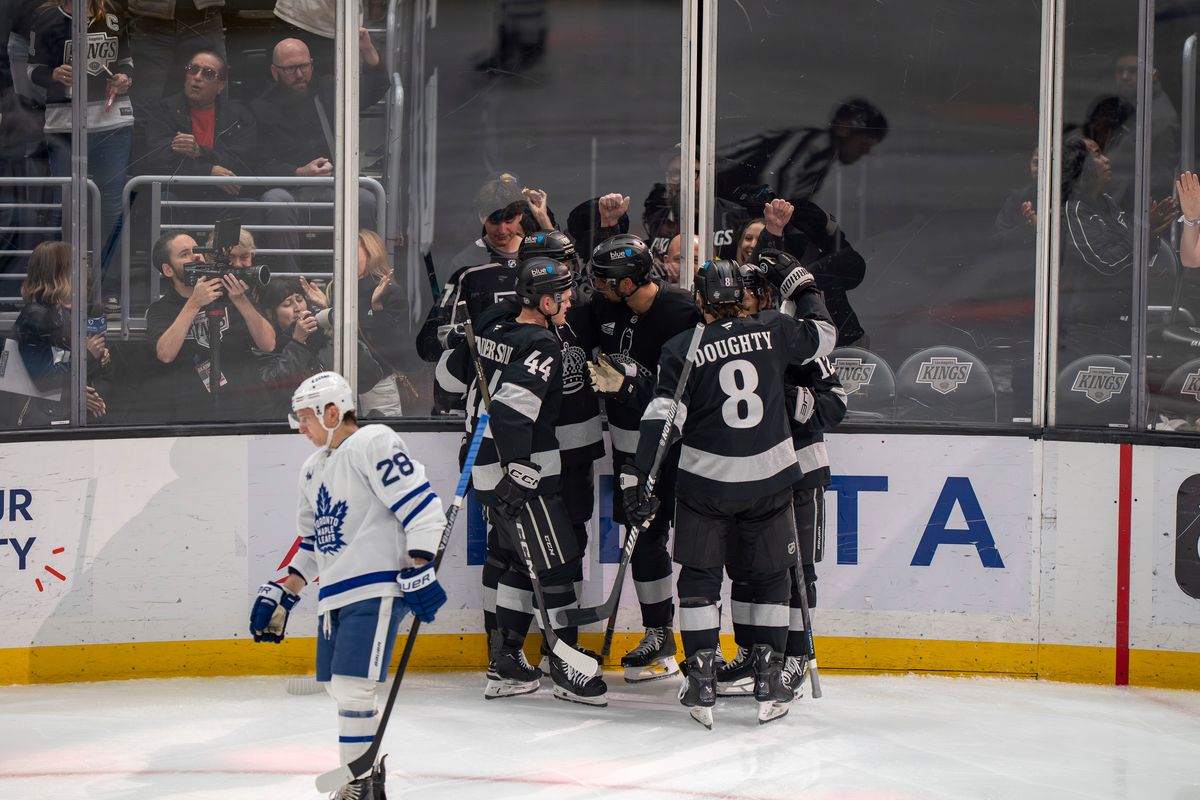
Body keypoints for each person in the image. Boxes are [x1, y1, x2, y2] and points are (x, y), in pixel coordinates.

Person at [621, 258, 836, 728]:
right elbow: (824, 334)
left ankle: (700, 675)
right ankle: (769, 674)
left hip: (706, 485)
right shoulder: (775, 329)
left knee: (700, 579)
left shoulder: (683, 347)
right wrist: (808, 286)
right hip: (770, 482)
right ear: (739, 296)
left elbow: (662, 420)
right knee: (771, 577)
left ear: (699, 301)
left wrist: (641, 477)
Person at [250, 371, 447, 800]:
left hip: (375, 587)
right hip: (335, 593)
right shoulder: (312, 468)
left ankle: (360, 786)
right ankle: (365, 777)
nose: (300, 427)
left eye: (306, 417)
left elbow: (422, 507)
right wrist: (287, 590)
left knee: (355, 685)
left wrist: (421, 565)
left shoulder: (372, 441)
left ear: (333, 412)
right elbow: (312, 541)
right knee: (339, 686)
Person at [438, 230, 603, 698]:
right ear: (545, 302)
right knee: (552, 565)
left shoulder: (491, 323)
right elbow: (512, 412)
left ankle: (506, 663)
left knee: (513, 561)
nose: (569, 305)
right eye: (564, 299)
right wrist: (521, 470)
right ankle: (565, 667)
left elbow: (447, 377)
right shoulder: (541, 344)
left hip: (482, 461)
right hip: (519, 470)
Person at [571, 233, 701, 682]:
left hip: (680, 447)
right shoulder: (603, 309)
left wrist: (627, 386)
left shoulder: (682, 312)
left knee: (700, 542)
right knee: (643, 537)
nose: (598, 289)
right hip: (629, 447)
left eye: (606, 282)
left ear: (628, 283)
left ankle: (710, 646)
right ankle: (658, 634)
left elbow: (685, 390)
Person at [715, 256, 846, 700]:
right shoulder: (729, 342)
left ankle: (791, 656)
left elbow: (835, 405)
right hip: (748, 476)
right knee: (746, 570)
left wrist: (784, 398)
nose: (740, 302)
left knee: (794, 570)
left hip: (799, 472)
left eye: (748, 294)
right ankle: (753, 653)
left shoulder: (791, 338)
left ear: (766, 297)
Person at [251, 33, 388, 271]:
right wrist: (297, 172)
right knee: (275, 201)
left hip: (333, 188)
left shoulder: (328, 89)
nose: (299, 74)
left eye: (304, 66)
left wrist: (366, 49)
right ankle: (289, 286)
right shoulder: (260, 107)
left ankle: (363, 279)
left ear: (312, 64)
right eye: (290, 69)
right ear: (275, 72)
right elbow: (257, 164)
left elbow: (375, 87)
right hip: (289, 190)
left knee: (364, 199)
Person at [29, 0, 134, 305]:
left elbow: (127, 62)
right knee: (67, 204)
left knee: (113, 205)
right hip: (65, 123)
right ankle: (64, 286)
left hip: (112, 119)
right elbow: (33, 69)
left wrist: (124, 79)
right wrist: (54, 75)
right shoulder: (46, 17)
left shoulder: (112, 11)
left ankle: (109, 288)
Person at [144, 229, 275, 421]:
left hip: (248, 408)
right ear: (168, 269)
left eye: (196, 250)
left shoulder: (231, 292)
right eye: (184, 254)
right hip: (194, 413)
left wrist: (241, 301)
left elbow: (268, 344)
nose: (195, 256)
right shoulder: (161, 310)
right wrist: (194, 303)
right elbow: (165, 354)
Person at [295, 229, 413, 416]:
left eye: (352, 250)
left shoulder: (388, 290)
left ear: (371, 252)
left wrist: (376, 308)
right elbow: (339, 336)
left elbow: (396, 343)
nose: (345, 256)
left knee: (380, 441)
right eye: (342, 250)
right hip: (341, 381)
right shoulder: (338, 287)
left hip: (378, 381)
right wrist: (326, 307)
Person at [255, 277, 387, 418]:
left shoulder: (325, 338)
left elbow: (369, 378)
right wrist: (297, 342)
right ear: (270, 313)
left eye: (299, 300)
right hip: (294, 430)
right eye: (287, 304)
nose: (298, 308)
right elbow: (279, 391)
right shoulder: (266, 347)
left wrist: (339, 334)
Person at [715, 97, 889, 204]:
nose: (864, 151)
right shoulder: (814, 142)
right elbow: (778, 173)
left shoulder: (823, 160)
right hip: (710, 181)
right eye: (864, 143)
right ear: (844, 130)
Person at [10, 240, 110, 426]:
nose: (84, 273)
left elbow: (67, 364)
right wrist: (87, 356)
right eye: (76, 267)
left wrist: (99, 357)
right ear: (59, 274)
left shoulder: (64, 312)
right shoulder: (35, 317)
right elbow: (45, 380)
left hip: (60, 414)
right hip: (43, 421)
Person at [142, 49, 257, 208]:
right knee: (164, 201)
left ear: (221, 86)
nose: (197, 77)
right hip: (180, 195)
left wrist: (200, 151)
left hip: (223, 198)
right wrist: (207, 171)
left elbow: (242, 162)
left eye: (208, 73)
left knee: (251, 208)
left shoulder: (239, 116)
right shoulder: (164, 110)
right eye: (193, 70)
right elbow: (158, 162)